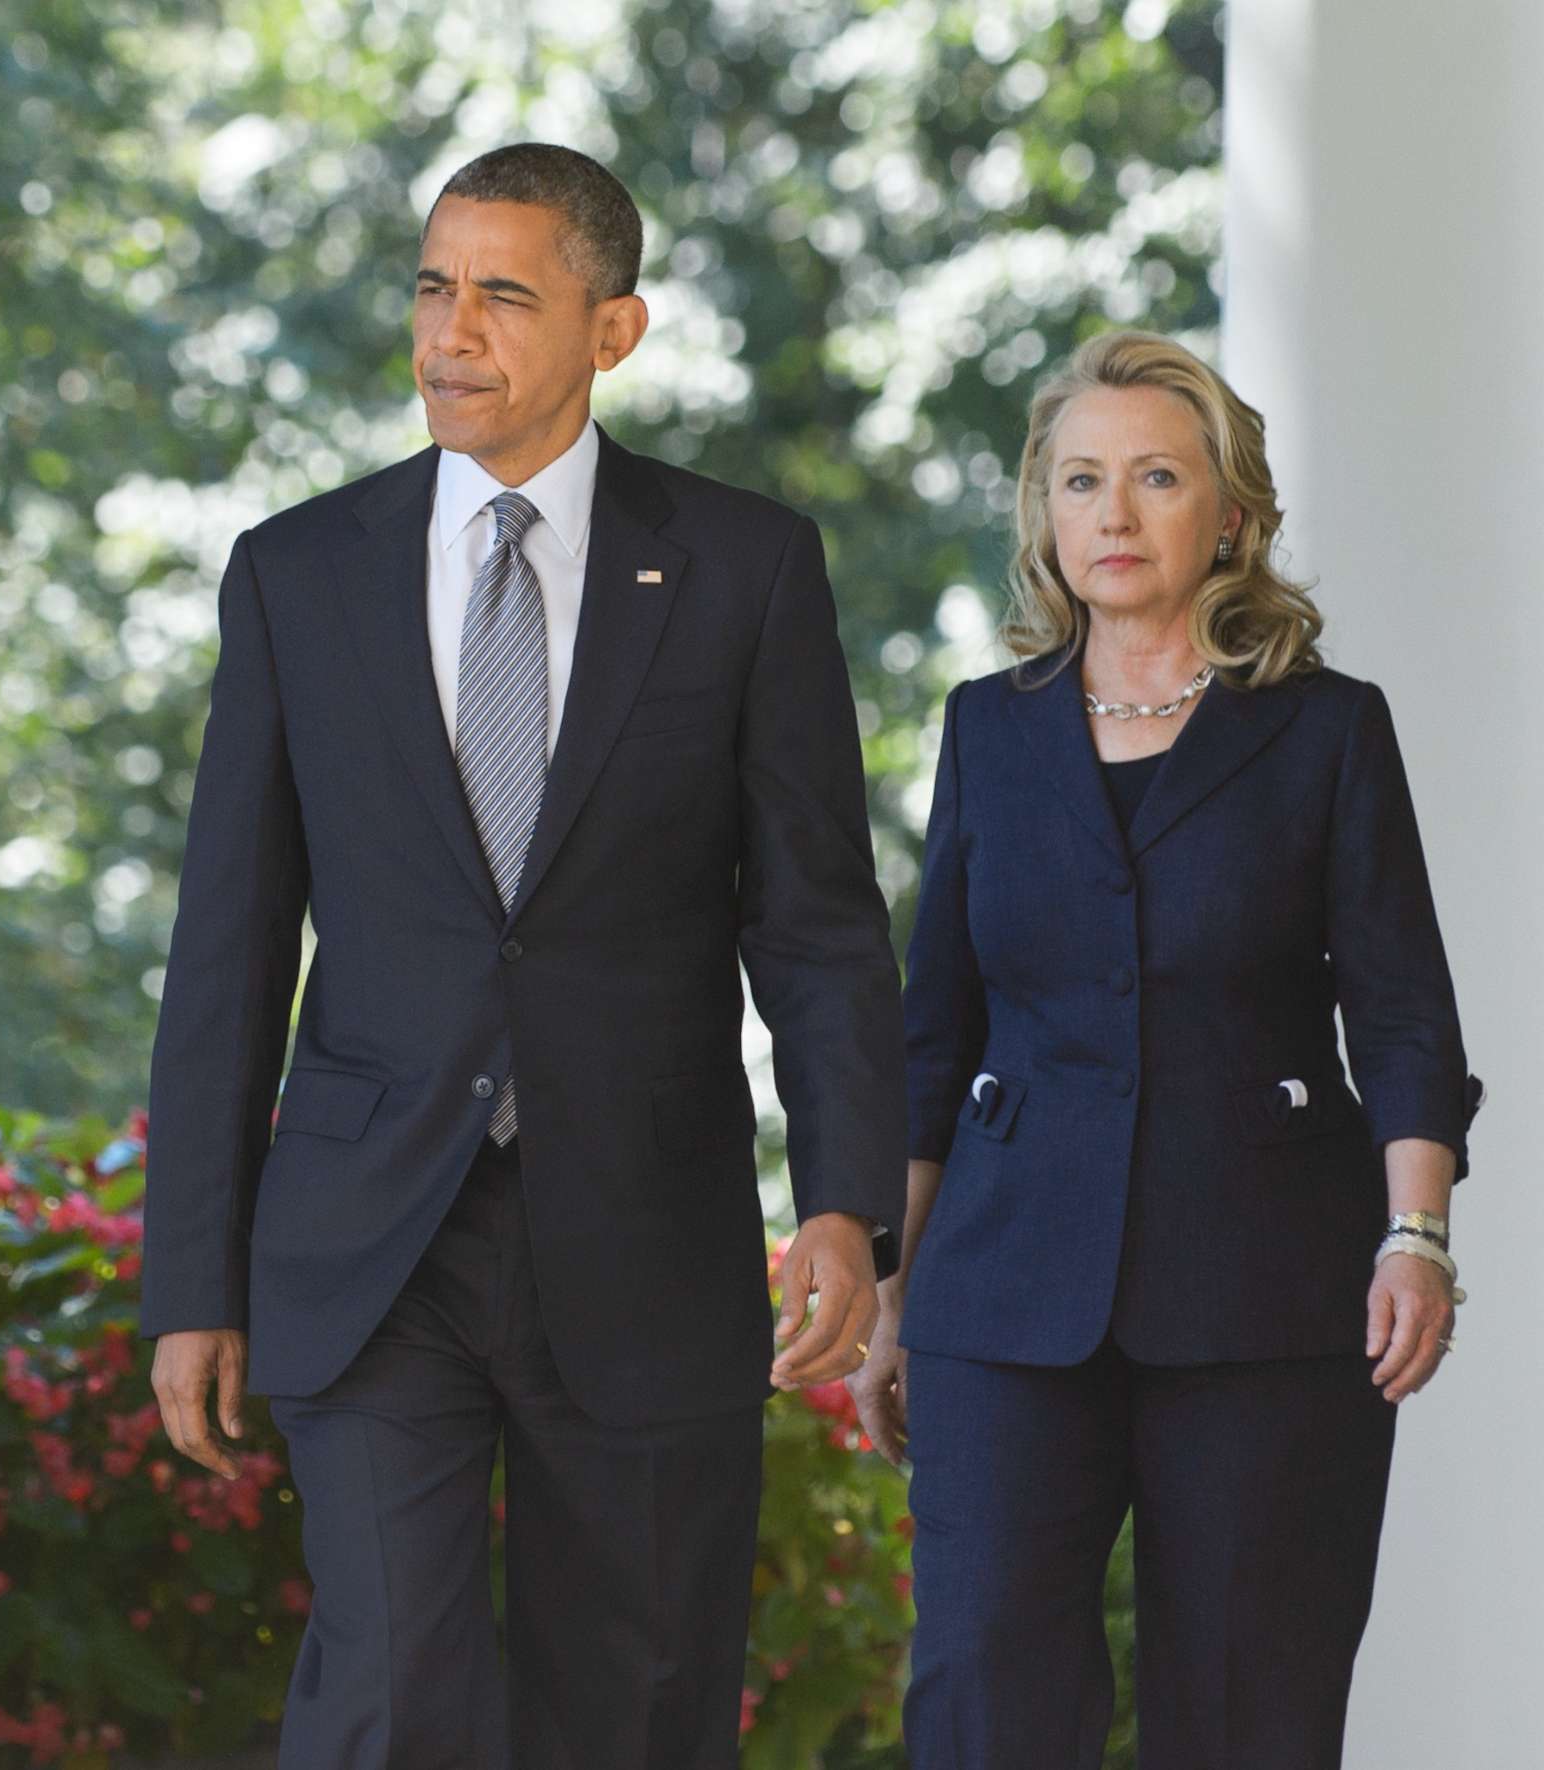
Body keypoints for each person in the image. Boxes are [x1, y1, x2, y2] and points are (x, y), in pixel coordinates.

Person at [137, 142, 907, 1767]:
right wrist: (192, 1277)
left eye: (502, 296)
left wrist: (842, 1196)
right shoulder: (299, 572)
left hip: (644, 1226)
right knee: (394, 1698)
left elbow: (817, 918)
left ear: (612, 331)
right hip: (371, 1238)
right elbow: (228, 944)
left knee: (632, 1706)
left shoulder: (746, 567)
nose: (449, 334)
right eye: (432, 287)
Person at [850, 330, 1485, 1769]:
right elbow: (935, 1027)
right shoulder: (985, 732)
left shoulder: (1327, 732)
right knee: (982, 1699)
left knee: (1247, 1709)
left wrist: (1416, 1234)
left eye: (1154, 477)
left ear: (1233, 514)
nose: (1115, 515)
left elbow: (1400, 1011)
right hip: (1003, 1292)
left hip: (1265, 1294)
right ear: (1046, 515)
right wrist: (898, 1286)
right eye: (1082, 481)